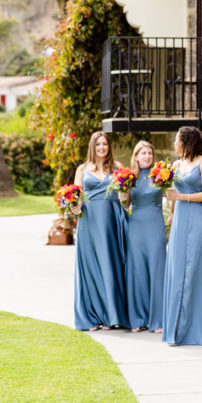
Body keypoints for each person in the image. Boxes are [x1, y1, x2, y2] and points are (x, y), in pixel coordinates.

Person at [162, 126, 202, 346]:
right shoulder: (176, 165)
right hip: (180, 219)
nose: (174, 144)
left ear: (186, 141)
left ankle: (195, 328)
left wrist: (180, 196)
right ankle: (176, 327)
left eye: (177, 140)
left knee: (195, 269)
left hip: (198, 218)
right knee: (178, 269)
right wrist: (170, 212)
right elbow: (171, 194)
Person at [73, 131, 130, 331]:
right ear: (92, 147)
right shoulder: (82, 169)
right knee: (91, 267)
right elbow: (77, 196)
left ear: (109, 147)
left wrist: (125, 203)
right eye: (98, 145)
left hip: (112, 220)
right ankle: (93, 315)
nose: (101, 148)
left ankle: (111, 315)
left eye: (104, 144)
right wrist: (74, 207)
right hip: (89, 221)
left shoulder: (118, 168)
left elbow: (125, 197)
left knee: (111, 265)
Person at [125, 140, 167, 334]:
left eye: (150, 153)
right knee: (137, 270)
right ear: (136, 156)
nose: (147, 156)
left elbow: (174, 193)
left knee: (157, 269)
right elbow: (125, 205)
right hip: (136, 227)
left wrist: (174, 214)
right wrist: (121, 193)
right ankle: (138, 319)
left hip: (155, 224)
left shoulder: (160, 174)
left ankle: (157, 319)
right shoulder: (129, 178)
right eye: (143, 153)